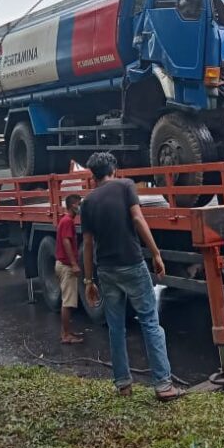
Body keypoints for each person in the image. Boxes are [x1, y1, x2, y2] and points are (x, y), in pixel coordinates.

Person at [81, 152, 184, 401]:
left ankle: (123, 384)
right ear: (113, 170)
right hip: (132, 264)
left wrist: (88, 280)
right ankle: (163, 385)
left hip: (106, 270)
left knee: (116, 328)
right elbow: (138, 219)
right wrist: (156, 253)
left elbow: (87, 243)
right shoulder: (125, 186)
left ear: (92, 176)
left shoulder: (87, 202)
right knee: (149, 321)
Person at [55, 193, 83, 344]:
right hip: (66, 266)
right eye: (79, 204)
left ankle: (66, 331)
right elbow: (66, 242)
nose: (80, 207)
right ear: (73, 205)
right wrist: (73, 264)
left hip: (63, 265)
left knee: (67, 300)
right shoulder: (67, 221)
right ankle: (66, 335)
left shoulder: (66, 220)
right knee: (68, 302)